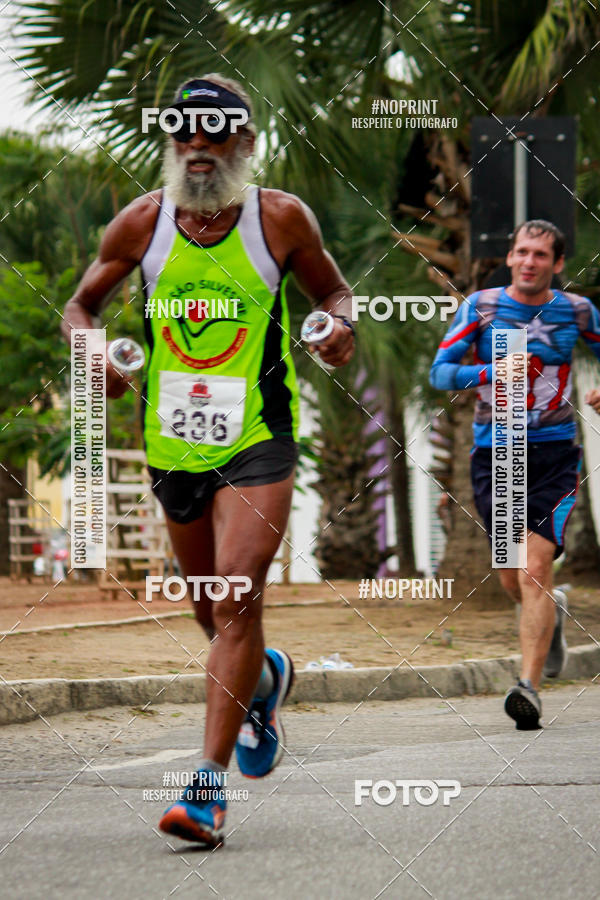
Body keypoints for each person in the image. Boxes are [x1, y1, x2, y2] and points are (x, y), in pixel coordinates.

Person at [61, 74, 355, 845]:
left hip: (258, 438)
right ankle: (264, 681)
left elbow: (336, 297)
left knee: (233, 599)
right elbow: (81, 305)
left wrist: (336, 332)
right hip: (172, 443)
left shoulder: (281, 220)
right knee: (208, 609)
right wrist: (92, 351)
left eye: (216, 130)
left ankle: (206, 789)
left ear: (244, 142)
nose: (198, 144)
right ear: (171, 142)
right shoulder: (140, 225)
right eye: (184, 130)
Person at [430, 220, 600, 730]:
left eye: (541, 255)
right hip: (496, 457)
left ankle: (528, 687)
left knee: (534, 570)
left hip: (553, 456)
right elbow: (440, 372)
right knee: (513, 578)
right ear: (509, 257)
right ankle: (555, 616)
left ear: (558, 264)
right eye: (522, 252)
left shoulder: (576, 311)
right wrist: (488, 373)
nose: (530, 261)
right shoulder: (480, 307)